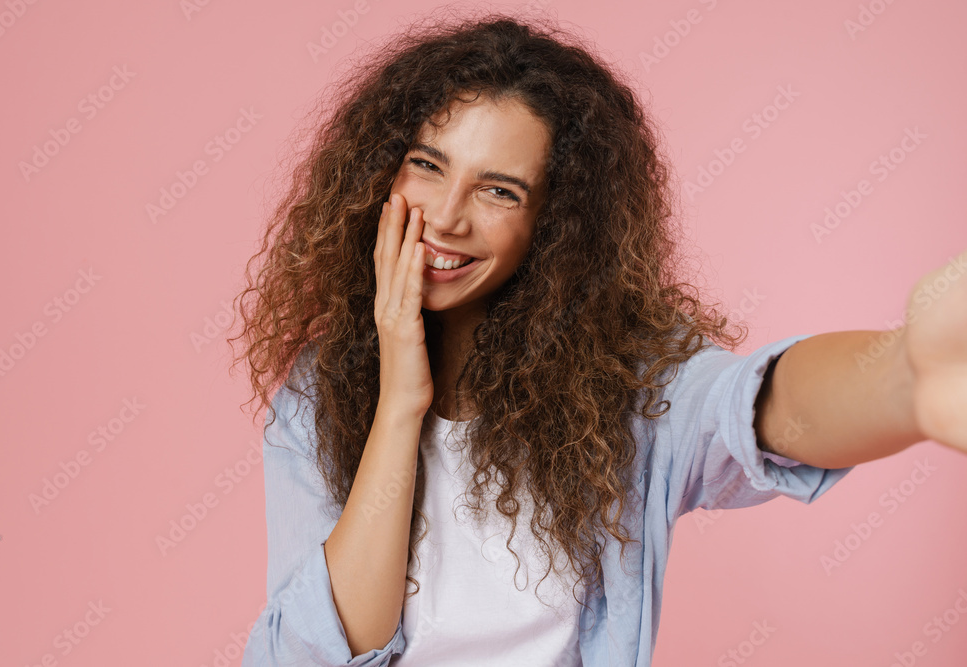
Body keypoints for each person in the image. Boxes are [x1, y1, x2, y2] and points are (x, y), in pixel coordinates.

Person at [229, 11, 967, 667]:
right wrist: (400, 402)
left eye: (498, 190)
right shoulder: (319, 393)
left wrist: (906, 374)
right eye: (427, 165)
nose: (447, 217)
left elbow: (754, 405)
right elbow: (313, 654)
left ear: (553, 224)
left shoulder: (620, 386)